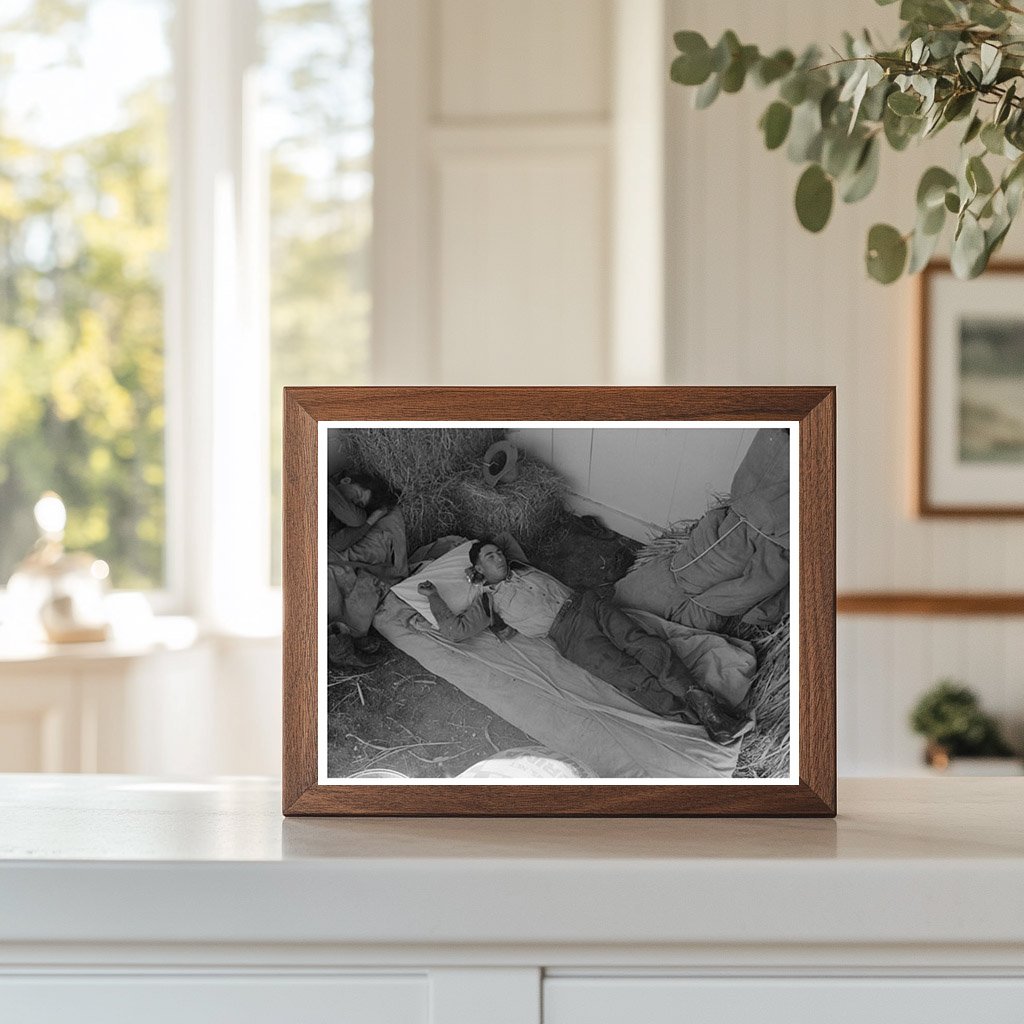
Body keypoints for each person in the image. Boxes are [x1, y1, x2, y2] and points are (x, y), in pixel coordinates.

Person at [416, 536, 746, 743]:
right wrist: (434, 595)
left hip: (589, 604)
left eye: (499, 553)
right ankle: (694, 718)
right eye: (490, 557)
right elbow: (454, 632)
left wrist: (488, 557)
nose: (500, 557)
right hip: (568, 634)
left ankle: (705, 703)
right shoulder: (487, 602)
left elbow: (505, 540)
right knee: (626, 674)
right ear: (477, 569)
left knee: (645, 643)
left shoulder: (521, 567)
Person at [326, 472, 408, 647]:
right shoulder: (325, 486)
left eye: (358, 504)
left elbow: (337, 543)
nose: (354, 504)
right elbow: (354, 519)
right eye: (356, 495)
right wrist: (365, 519)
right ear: (346, 480)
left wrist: (370, 521)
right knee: (357, 519)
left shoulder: (335, 519)